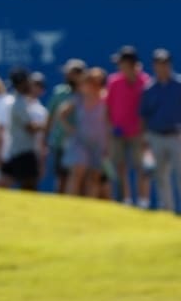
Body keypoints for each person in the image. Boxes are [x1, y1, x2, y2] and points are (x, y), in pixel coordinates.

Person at [107, 45, 152, 207]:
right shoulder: (114, 82)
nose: (119, 66)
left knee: (142, 169)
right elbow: (108, 107)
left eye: (122, 63)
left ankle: (143, 202)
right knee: (120, 167)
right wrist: (111, 127)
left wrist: (145, 132)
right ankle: (124, 200)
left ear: (131, 64)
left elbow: (149, 110)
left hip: (139, 133)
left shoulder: (146, 83)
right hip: (118, 132)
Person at [140, 48, 181, 212]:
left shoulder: (179, 85)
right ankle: (168, 211)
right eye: (158, 64)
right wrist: (145, 139)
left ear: (169, 64)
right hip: (156, 136)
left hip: (177, 136)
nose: (161, 67)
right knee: (161, 177)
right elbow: (144, 115)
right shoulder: (150, 88)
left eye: (164, 63)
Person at [60, 68, 111, 198]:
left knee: (94, 176)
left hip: (100, 143)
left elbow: (110, 123)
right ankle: (70, 204)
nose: (85, 85)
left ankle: (89, 207)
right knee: (77, 171)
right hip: (80, 141)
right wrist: (71, 129)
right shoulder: (79, 99)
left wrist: (109, 144)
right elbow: (62, 114)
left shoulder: (106, 99)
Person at [0, 68, 48, 191]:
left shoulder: (21, 101)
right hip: (23, 151)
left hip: (19, 150)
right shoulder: (19, 102)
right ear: (22, 83)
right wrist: (50, 123)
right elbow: (30, 127)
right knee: (29, 185)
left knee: (7, 181)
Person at [46, 59, 87, 193]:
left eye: (71, 74)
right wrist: (44, 139)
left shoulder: (86, 93)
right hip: (60, 141)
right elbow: (51, 117)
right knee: (62, 177)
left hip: (82, 143)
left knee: (80, 178)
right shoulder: (60, 92)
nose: (68, 77)